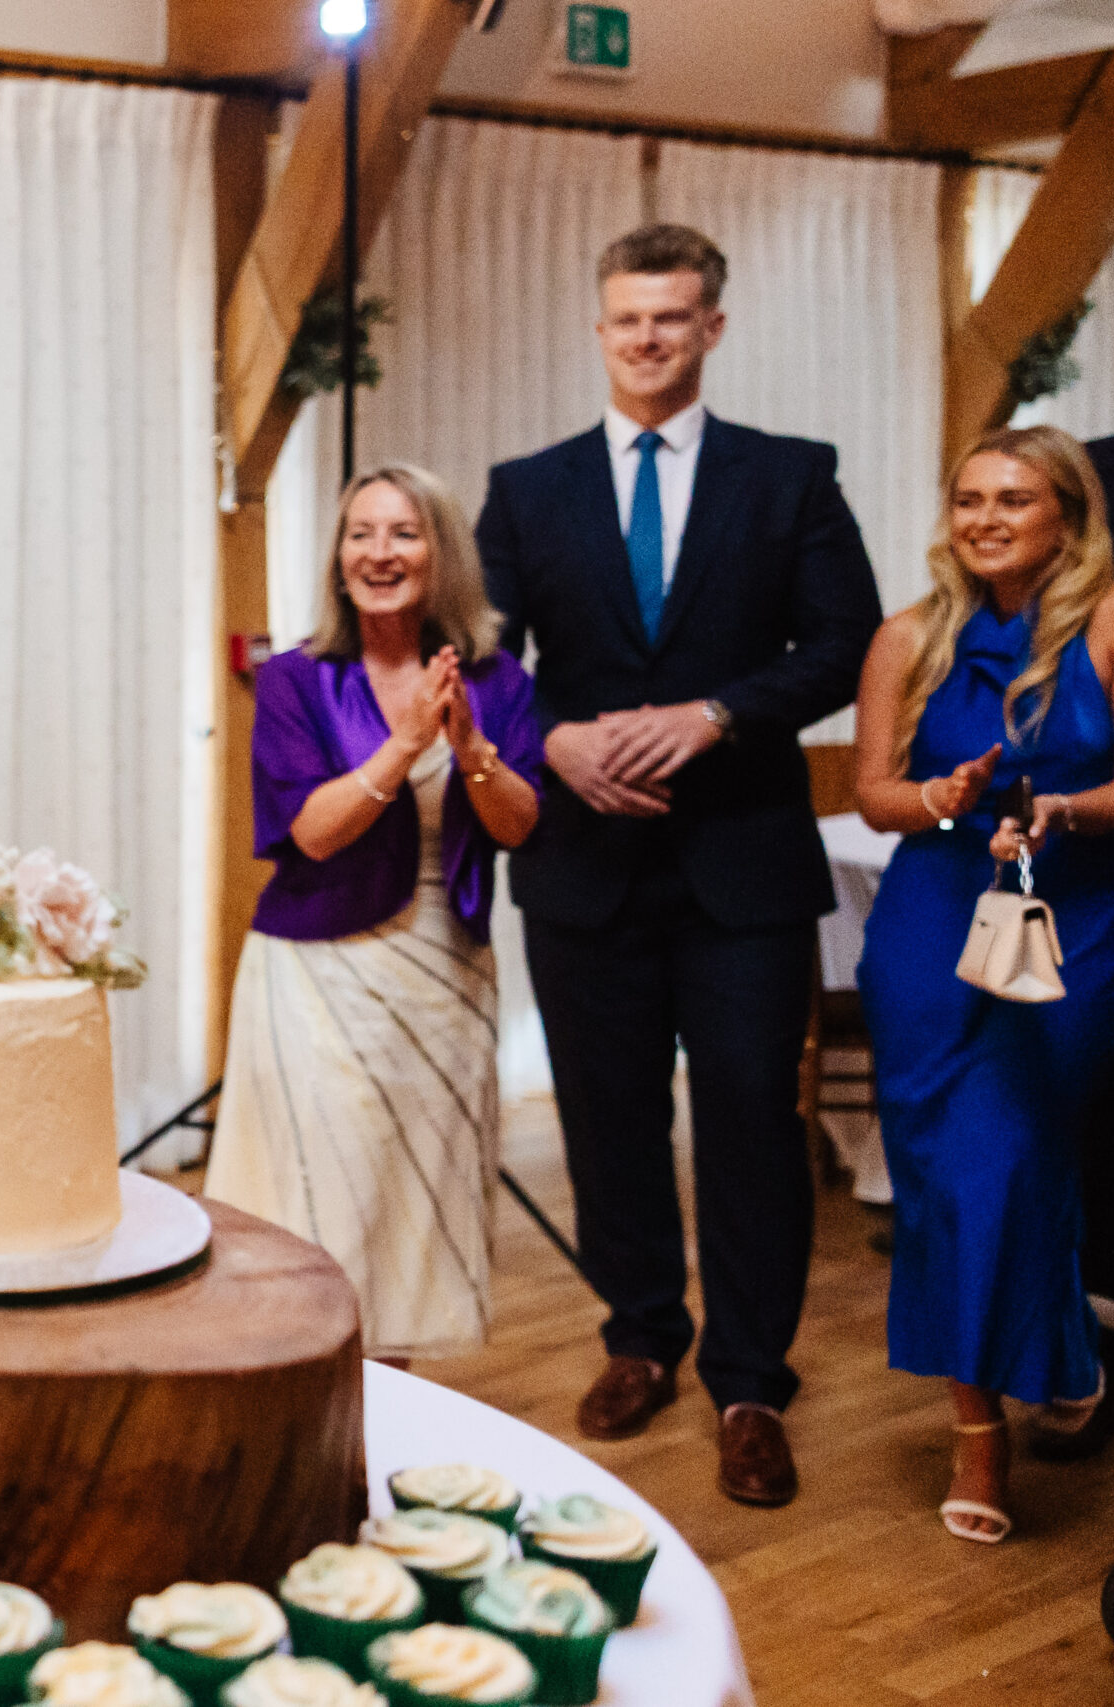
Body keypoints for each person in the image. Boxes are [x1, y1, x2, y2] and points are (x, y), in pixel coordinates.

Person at [474, 223, 881, 1506]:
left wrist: (715, 716)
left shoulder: (789, 478)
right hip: (585, 862)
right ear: (598, 331)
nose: (646, 338)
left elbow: (843, 643)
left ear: (711, 327)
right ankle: (640, 1338)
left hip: (742, 862)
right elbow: (482, 668)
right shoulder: (525, 489)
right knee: (609, 1123)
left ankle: (752, 1380)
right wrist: (562, 738)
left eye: (671, 317)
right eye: (625, 319)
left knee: (755, 1126)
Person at [207, 465, 542, 1364]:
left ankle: (383, 1412)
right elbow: (310, 833)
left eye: (403, 532)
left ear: (442, 554)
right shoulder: (295, 682)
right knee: (325, 1209)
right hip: (318, 971)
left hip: (446, 975)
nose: (378, 552)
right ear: (337, 554)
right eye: (361, 532)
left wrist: (471, 747)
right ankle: (305, 1410)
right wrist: (403, 748)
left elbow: (519, 822)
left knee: (406, 1214)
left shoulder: (498, 680)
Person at [853, 424, 1114, 1543]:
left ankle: (1054, 1346)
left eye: (1014, 497)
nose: (986, 518)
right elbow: (873, 794)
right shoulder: (905, 637)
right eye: (968, 498)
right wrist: (943, 798)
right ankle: (979, 1430)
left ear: (1067, 514)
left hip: (1075, 916)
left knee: (1015, 1158)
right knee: (937, 1176)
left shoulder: (1107, 626)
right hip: (928, 921)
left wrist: (1066, 808)